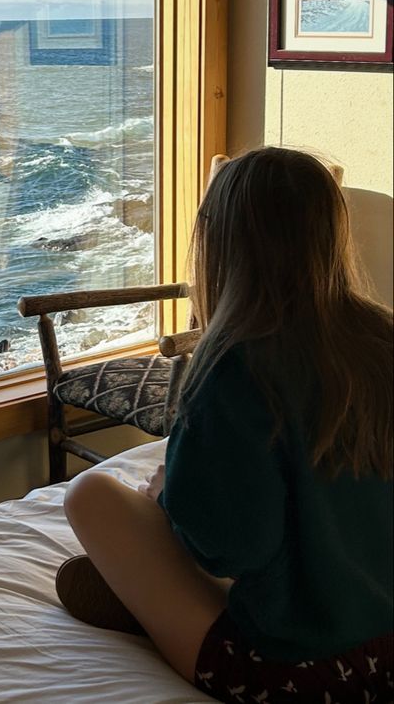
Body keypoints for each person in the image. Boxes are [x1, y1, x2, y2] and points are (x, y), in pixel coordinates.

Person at [57, 147, 393, 703]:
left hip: (301, 671)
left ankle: (148, 601)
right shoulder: (381, 338)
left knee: (90, 493)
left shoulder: (237, 367)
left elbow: (227, 550)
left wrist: (168, 500)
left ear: (217, 243)